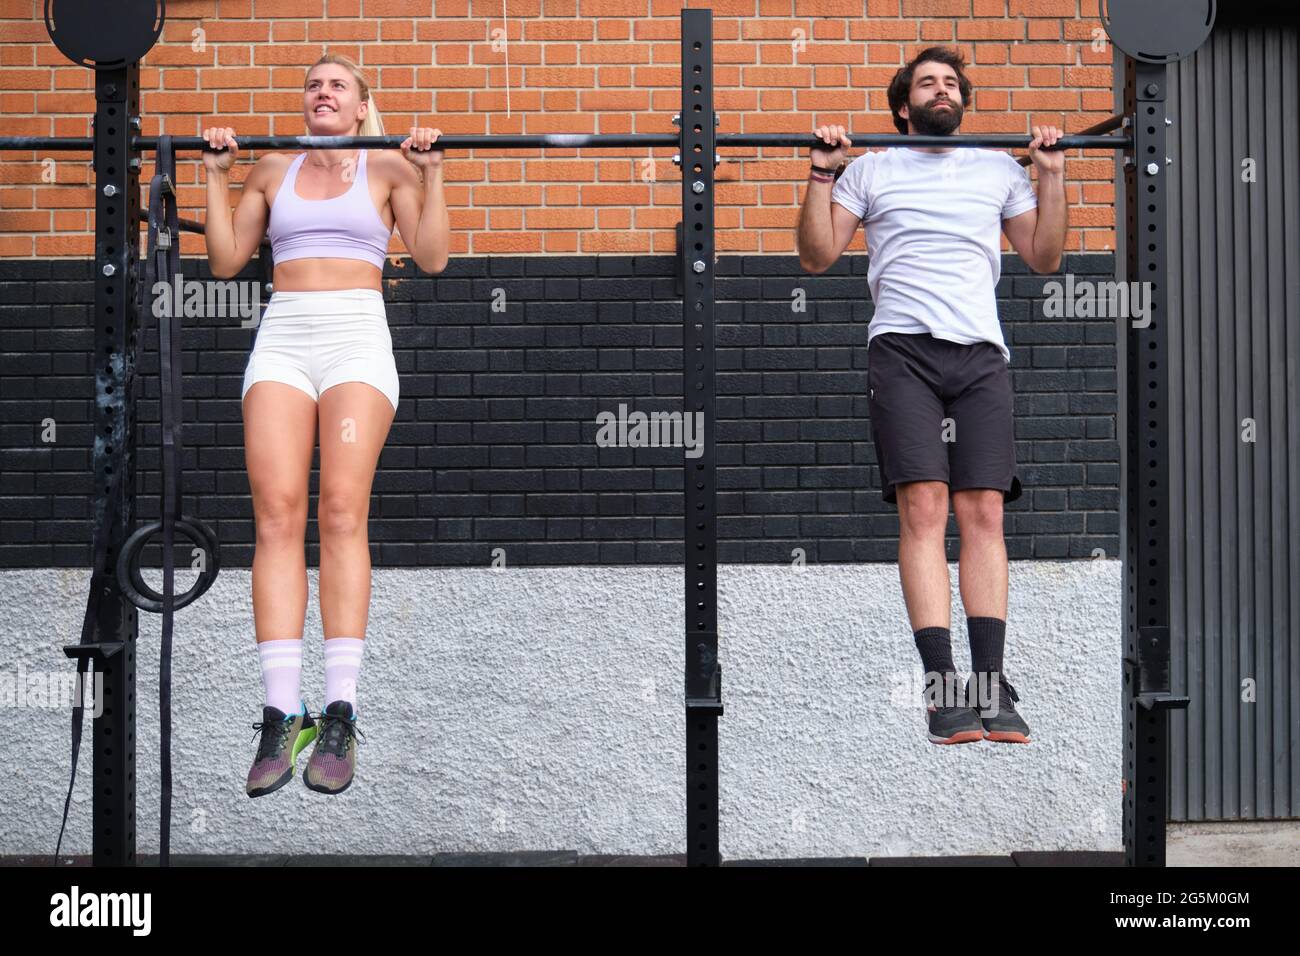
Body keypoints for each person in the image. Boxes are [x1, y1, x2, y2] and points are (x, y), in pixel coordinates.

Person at [796, 46, 1067, 745]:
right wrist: (820, 175)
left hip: (981, 355)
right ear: (903, 104)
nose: (942, 90)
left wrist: (1053, 176)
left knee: (983, 511)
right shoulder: (872, 169)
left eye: (951, 83)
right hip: (903, 350)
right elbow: (817, 255)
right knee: (924, 507)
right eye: (927, 82)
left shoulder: (996, 170)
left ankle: (991, 685)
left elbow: (1045, 256)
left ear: (962, 101)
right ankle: (942, 688)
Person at [201, 53, 449, 795]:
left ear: (361, 103)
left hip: (355, 339)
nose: (322, 92)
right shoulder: (271, 169)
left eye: (337, 84)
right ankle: (284, 710)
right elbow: (222, 261)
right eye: (312, 84)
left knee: (341, 512)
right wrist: (215, 176)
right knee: (276, 517)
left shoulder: (390, 169)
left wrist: (434, 173)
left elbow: (432, 258)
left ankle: (340, 710)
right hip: (283, 337)